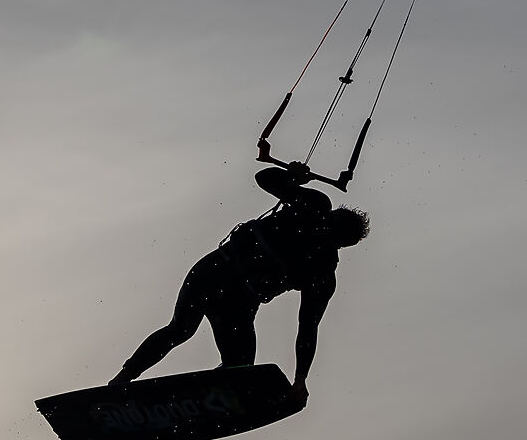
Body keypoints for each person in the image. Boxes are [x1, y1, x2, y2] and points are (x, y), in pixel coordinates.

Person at [111, 161, 369, 394]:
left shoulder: (322, 275)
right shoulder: (313, 206)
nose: (322, 228)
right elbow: (264, 177)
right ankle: (122, 379)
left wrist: (300, 379)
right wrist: (290, 178)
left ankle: (212, 396)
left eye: (330, 232)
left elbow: (307, 329)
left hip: (238, 302)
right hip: (214, 272)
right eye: (327, 222)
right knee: (181, 329)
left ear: (339, 244)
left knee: (242, 367)